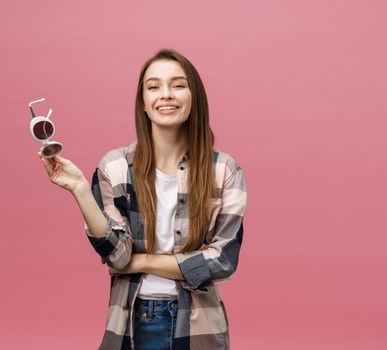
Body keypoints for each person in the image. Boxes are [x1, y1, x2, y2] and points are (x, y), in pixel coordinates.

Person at [39, 48, 247, 350]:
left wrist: (143, 261)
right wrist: (82, 190)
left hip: (201, 329)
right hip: (133, 323)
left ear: (194, 98)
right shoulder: (114, 167)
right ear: (144, 104)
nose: (166, 94)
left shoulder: (224, 170)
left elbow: (223, 261)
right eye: (154, 86)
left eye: (177, 85)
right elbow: (118, 256)